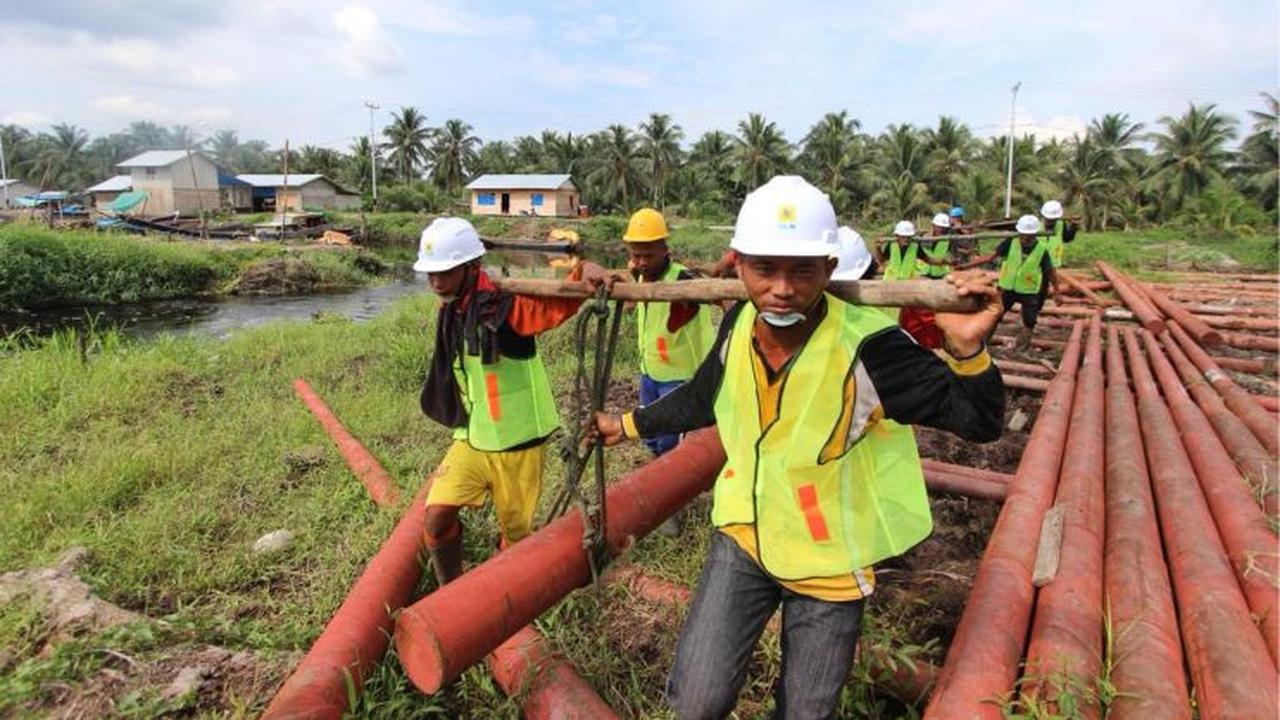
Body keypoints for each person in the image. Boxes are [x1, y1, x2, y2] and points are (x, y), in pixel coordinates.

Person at [590, 176, 1005, 719]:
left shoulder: (871, 349)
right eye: (765, 268)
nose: (782, 289)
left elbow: (978, 421)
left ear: (828, 270)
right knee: (696, 701)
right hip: (745, 537)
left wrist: (968, 350)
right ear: (739, 265)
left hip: (828, 565)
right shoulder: (739, 322)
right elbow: (705, 394)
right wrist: (626, 425)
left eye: (802, 270)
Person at [415, 217, 611, 585]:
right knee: (436, 516)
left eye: (445, 273)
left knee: (516, 538)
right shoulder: (453, 310)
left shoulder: (507, 309)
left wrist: (585, 269)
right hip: (474, 437)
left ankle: (504, 595)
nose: (436, 283)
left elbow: (558, 303)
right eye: (431, 274)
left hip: (518, 443)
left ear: (472, 267)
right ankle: (451, 592)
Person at [622, 208, 714, 458]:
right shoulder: (641, 275)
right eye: (636, 255)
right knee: (649, 435)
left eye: (648, 255)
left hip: (680, 377)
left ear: (664, 248)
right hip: (650, 371)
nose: (642, 262)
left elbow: (712, 294)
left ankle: (672, 475)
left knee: (670, 443)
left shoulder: (683, 279)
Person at [964, 213, 1061, 350]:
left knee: (1029, 321)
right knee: (995, 315)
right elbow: (990, 257)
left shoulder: (1041, 250)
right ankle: (983, 343)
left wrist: (1057, 292)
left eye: (1028, 235)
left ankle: (1022, 348)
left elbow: (1051, 272)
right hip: (1007, 288)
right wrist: (965, 266)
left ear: (1034, 234)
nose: (1025, 238)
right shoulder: (1010, 242)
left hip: (1028, 290)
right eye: (1023, 234)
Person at [1039, 200, 1078, 268]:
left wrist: (1073, 227)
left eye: (1053, 220)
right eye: (1048, 219)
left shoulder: (1061, 224)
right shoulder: (1035, 226)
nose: (1050, 221)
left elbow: (1067, 239)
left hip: (1055, 265)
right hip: (1037, 265)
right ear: (1044, 216)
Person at [921, 212, 954, 279]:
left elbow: (952, 255)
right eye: (938, 227)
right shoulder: (925, 238)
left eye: (943, 228)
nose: (941, 230)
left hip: (942, 273)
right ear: (933, 225)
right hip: (925, 272)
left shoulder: (948, 239)